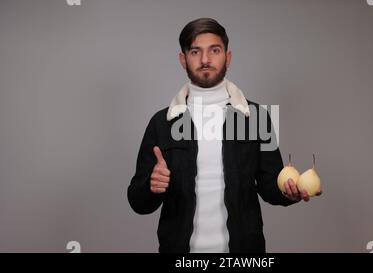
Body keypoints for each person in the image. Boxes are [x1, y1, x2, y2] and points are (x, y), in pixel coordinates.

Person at [127, 17, 321, 253]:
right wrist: (151, 186)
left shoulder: (256, 117)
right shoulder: (162, 123)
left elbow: (270, 185)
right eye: (195, 51)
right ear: (183, 59)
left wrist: (290, 191)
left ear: (228, 57)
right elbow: (137, 201)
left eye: (214, 50)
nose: (205, 60)